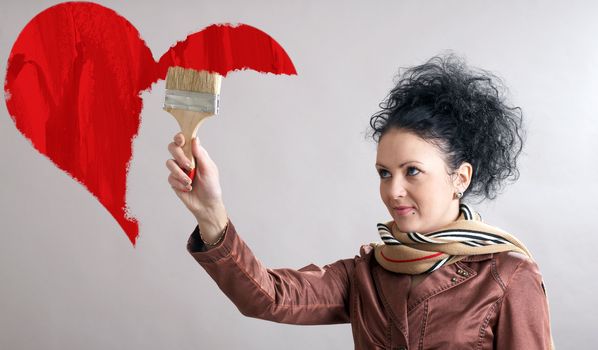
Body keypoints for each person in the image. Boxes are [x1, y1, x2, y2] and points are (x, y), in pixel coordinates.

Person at [165, 53, 553, 349]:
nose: (393, 190)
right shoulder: (367, 273)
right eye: (384, 173)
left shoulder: (508, 275)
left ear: (460, 178)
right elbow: (269, 297)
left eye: (412, 171)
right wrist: (211, 213)